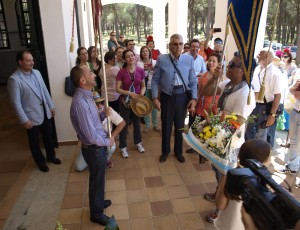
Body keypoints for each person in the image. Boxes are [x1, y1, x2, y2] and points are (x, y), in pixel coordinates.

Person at [201, 52, 256, 223]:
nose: (227, 66)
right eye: (229, 63)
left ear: (244, 71)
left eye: (232, 65)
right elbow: (206, 91)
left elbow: (236, 123)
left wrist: (213, 127)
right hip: (219, 137)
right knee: (217, 170)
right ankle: (218, 192)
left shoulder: (245, 94)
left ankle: (220, 210)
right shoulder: (229, 84)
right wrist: (213, 77)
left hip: (231, 142)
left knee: (225, 175)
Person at [70, 65, 115, 226]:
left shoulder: (87, 96)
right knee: (96, 180)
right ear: (83, 80)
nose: (93, 74)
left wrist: (102, 113)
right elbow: (89, 136)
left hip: (97, 147)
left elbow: (92, 121)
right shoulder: (80, 103)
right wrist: (107, 142)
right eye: (90, 73)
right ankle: (96, 214)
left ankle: (98, 202)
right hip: (94, 148)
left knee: (99, 178)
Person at [7, 50, 61, 172]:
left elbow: (44, 90)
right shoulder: (14, 79)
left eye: (32, 60)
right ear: (20, 62)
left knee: (48, 136)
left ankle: (51, 156)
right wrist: (24, 120)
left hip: (45, 111)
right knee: (34, 142)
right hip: (30, 117)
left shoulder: (37, 73)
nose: (32, 62)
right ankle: (41, 162)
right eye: (28, 60)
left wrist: (51, 105)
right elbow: (16, 103)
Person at [151, 34, 198, 163]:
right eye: (175, 44)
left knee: (180, 126)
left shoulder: (188, 60)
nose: (178, 47)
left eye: (180, 44)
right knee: (166, 125)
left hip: (182, 97)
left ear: (183, 45)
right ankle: (165, 151)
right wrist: (155, 97)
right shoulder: (161, 59)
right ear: (170, 46)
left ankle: (178, 151)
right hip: (167, 97)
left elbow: (193, 80)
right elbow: (155, 80)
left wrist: (194, 97)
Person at [214, 139, 271, 230]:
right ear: (264, 161)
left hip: (226, 225)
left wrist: (222, 182)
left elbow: (220, 205)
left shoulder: (231, 174)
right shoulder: (266, 184)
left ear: (240, 156)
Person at [74, 92, 125, 171]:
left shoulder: (107, 110)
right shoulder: (86, 114)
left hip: (105, 140)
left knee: (111, 147)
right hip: (90, 145)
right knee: (79, 167)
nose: (99, 105)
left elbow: (122, 123)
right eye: (95, 103)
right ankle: (92, 158)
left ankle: (105, 159)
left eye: (100, 102)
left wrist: (112, 137)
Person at [186, 52, 222, 155]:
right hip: (201, 106)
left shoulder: (222, 78)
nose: (211, 63)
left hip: (213, 107)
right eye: (209, 60)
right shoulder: (203, 76)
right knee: (197, 127)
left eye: (213, 61)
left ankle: (207, 150)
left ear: (218, 63)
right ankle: (195, 147)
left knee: (209, 129)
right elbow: (199, 92)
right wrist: (194, 105)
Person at [245, 48, 281, 144]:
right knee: (249, 133)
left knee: (261, 136)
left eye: (259, 54)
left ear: (267, 56)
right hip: (253, 105)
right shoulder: (258, 68)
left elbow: (278, 96)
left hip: (265, 108)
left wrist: (272, 115)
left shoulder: (275, 73)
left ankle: (258, 158)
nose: (257, 56)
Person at [116, 49, 146, 158]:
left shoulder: (140, 70)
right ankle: (123, 147)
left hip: (136, 102)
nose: (131, 58)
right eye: (128, 56)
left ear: (135, 57)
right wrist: (129, 93)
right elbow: (118, 89)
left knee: (137, 123)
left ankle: (138, 143)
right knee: (124, 124)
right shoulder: (121, 72)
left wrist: (140, 96)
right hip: (125, 102)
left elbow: (143, 86)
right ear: (125, 59)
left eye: (132, 55)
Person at [277, 79, 300, 174]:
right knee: (293, 140)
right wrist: (295, 89)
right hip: (296, 110)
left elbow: (296, 94)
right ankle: (293, 166)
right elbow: (291, 91)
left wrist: (295, 92)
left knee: (298, 143)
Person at [137, 46, 160, 133]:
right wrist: (144, 70)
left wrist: (154, 69)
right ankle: (146, 125)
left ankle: (155, 124)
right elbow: (138, 75)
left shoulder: (155, 62)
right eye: (143, 51)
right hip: (144, 87)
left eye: (146, 51)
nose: (145, 53)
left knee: (154, 107)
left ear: (149, 52)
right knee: (145, 107)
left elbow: (159, 74)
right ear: (141, 54)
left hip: (153, 87)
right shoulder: (139, 64)